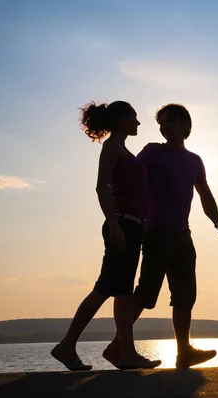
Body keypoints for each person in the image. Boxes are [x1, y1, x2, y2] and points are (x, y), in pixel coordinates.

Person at [103, 103, 218, 369]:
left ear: (185, 124)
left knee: (185, 296)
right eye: (161, 122)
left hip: (183, 234)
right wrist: (117, 210)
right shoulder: (151, 152)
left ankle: (184, 352)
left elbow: (205, 194)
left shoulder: (195, 160)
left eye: (170, 121)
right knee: (145, 295)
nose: (163, 127)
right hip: (156, 231)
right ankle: (117, 347)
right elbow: (126, 172)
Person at [51, 101, 161, 370]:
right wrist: (113, 225)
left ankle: (127, 355)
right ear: (122, 119)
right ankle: (66, 346)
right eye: (134, 117)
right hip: (121, 224)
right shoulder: (111, 147)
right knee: (103, 289)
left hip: (132, 226)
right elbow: (101, 188)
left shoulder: (124, 150)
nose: (138, 123)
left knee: (123, 294)